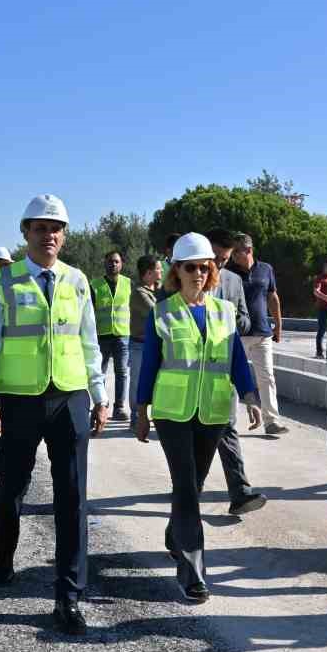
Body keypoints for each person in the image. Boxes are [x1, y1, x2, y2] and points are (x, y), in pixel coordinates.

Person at [0, 193, 109, 635]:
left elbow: (89, 343)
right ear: (25, 232)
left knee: (73, 497)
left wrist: (100, 394)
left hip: (69, 399)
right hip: (19, 400)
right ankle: (5, 556)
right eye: (40, 227)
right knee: (12, 486)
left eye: (56, 228)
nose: (49, 235)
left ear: (64, 235)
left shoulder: (78, 280)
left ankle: (69, 595)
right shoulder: (4, 281)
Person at [132, 234, 262, 602]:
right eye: (191, 267)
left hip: (214, 413)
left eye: (205, 267)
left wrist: (251, 397)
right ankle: (193, 571)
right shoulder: (164, 311)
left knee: (195, 484)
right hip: (173, 413)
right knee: (187, 487)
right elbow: (150, 366)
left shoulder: (222, 311)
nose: (199, 273)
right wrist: (142, 411)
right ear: (176, 270)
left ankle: (176, 535)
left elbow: (236, 357)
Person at [206, 229, 266, 515]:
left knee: (228, 429)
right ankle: (185, 501)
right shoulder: (184, 279)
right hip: (190, 380)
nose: (218, 265)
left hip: (223, 370)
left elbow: (244, 319)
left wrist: (226, 314)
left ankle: (240, 492)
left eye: (224, 260)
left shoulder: (232, 281)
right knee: (196, 446)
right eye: (215, 258)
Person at [228, 233, 288, 436]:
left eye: (237, 251)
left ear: (249, 250)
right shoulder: (228, 272)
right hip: (237, 334)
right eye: (232, 251)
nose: (233, 255)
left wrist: (278, 325)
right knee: (231, 380)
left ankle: (272, 421)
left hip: (263, 333)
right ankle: (229, 422)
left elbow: (273, 297)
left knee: (267, 377)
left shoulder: (266, 269)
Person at [93, 249, 133, 422]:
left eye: (116, 261)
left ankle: (119, 408)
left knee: (122, 372)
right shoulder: (94, 285)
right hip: (101, 335)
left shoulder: (129, 284)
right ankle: (101, 406)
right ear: (104, 263)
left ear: (122, 264)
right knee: (98, 372)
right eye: (110, 261)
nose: (113, 264)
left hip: (122, 335)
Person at [128, 254, 161, 418]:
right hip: (139, 344)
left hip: (156, 343)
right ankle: (136, 416)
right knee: (137, 381)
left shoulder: (160, 289)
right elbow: (156, 312)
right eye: (158, 269)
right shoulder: (139, 293)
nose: (161, 271)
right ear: (148, 273)